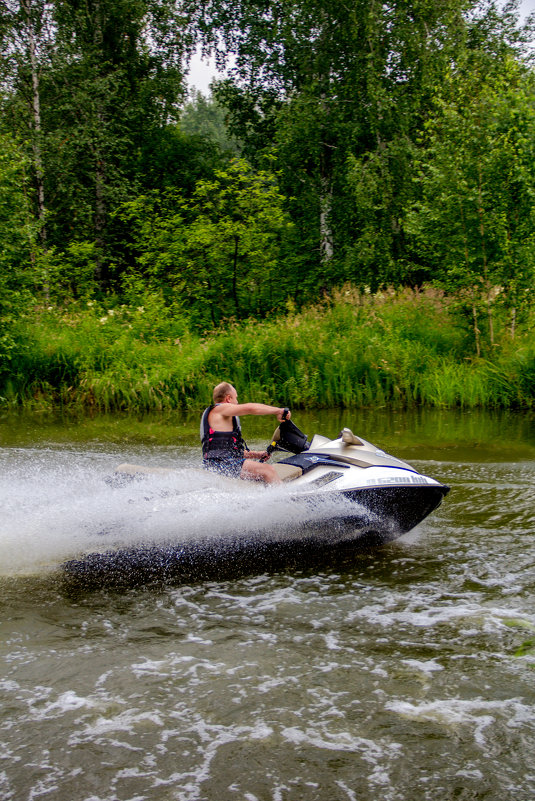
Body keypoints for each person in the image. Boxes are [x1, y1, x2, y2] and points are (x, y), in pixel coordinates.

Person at [200, 382, 291, 484]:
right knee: (268, 470)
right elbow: (251, 408)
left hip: (219, 464)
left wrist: (257, 455)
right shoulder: (220, 409)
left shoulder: (219, 418)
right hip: (222, 464)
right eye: (236, 398)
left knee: (260, 476)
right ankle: (286, 499)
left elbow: (231, 452)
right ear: (228, 398)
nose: (237, 402)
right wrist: (279, 411)